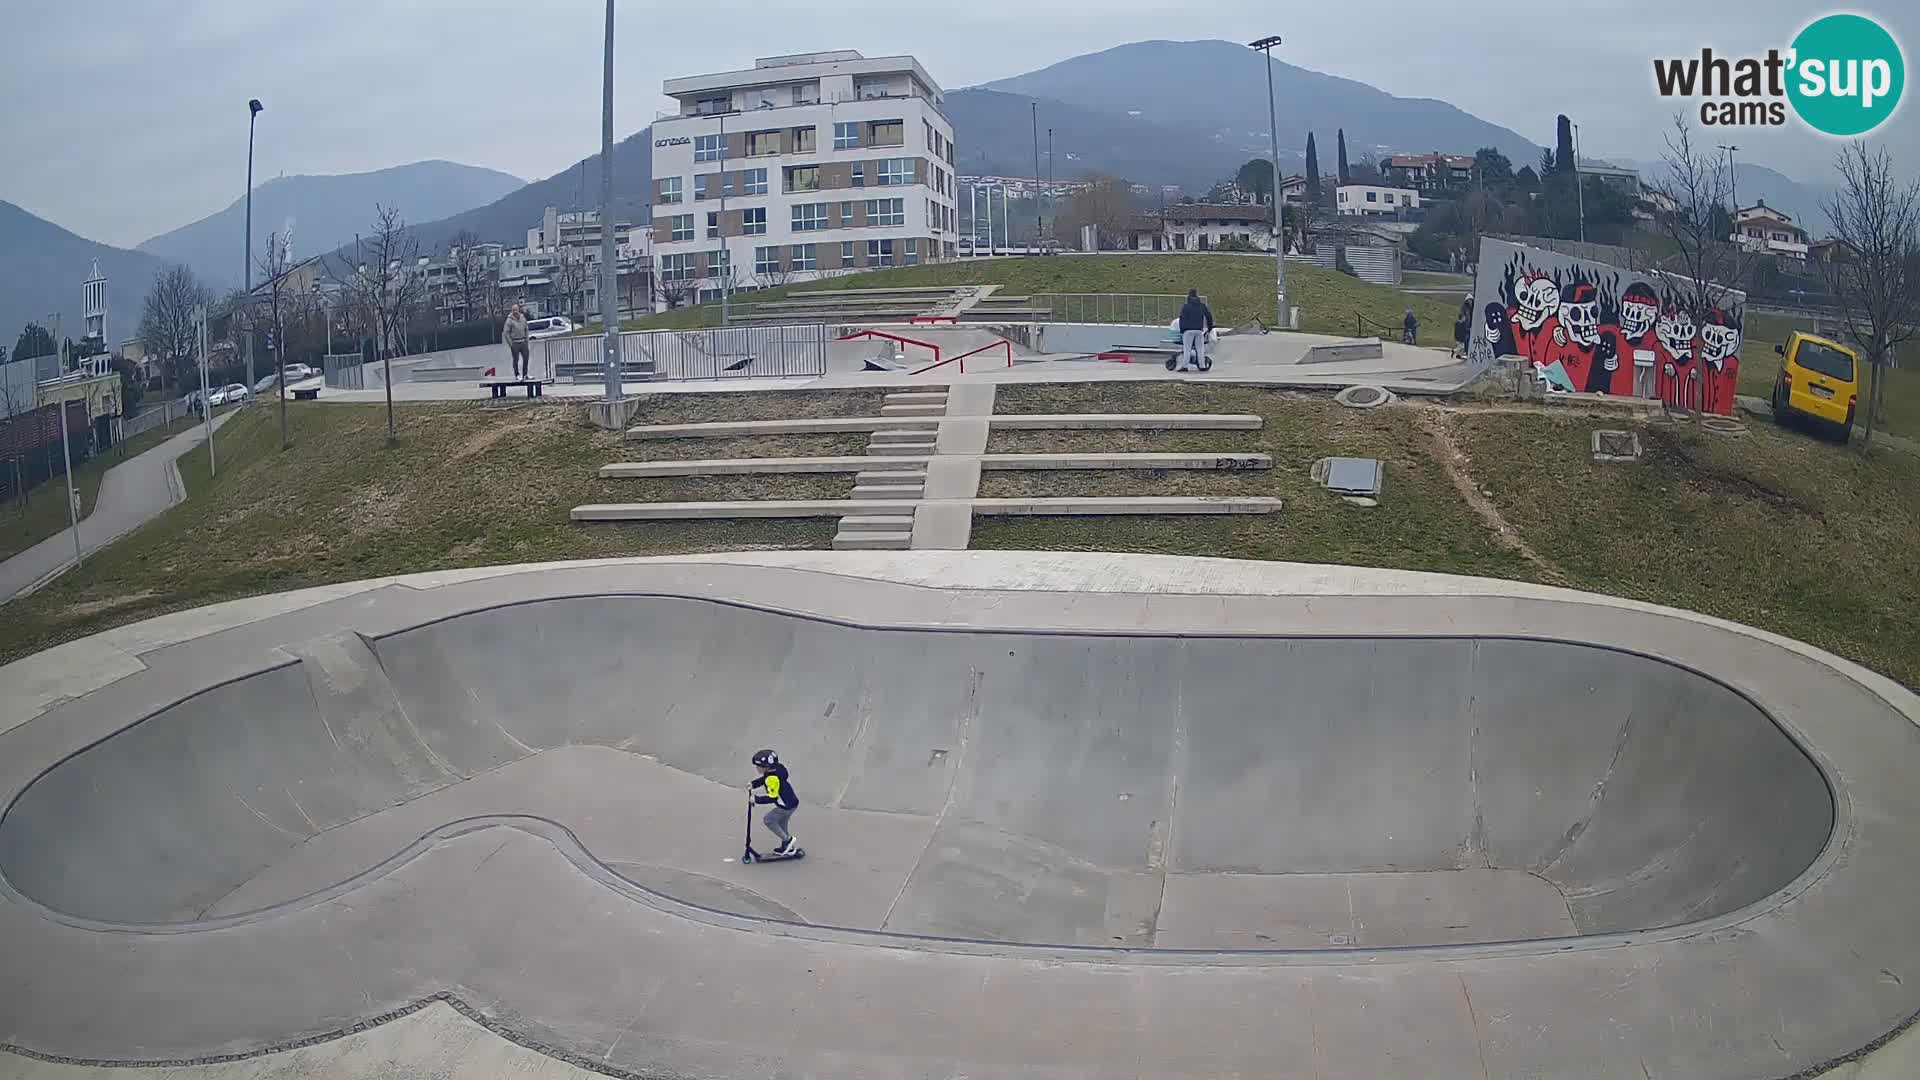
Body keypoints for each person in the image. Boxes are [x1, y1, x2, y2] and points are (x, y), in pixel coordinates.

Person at [750, 748, 800, 855]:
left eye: (759, 766)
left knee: (769, 820)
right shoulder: (776, 769)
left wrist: (756, 799)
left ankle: (788, 840)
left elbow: (773, 797)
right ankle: (789, 848)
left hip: (785, 805)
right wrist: (754, 784)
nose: (757, 768)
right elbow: (765, 779)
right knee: (782, 823)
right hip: (792, 801)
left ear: (766, 767)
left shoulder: (772, 778)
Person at [1177, 289, 1215, 372]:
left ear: (1189, 296)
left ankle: (1185, 366)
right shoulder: (1202, 306)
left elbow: (1182, 319)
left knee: (1187, 349)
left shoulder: (1186, 306)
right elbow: (1209, 316)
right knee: (1200, 348)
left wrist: (1182, 330)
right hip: (1199, 330)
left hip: (1188, 330)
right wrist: (1210, 328)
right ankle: (1202, 366)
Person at [504, 304, 530, 380]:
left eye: (516, 309)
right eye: (513, 310)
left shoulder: (522, 318)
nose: (515, 311)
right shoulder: (509, 320)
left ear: (518, 310)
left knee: (526, 358)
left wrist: (526, 340)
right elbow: (506, 332)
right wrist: (511, 344)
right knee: (516, 359)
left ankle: (525, 374)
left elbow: (526, 329)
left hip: (523, 341)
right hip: (515, 342)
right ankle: (517, 375)